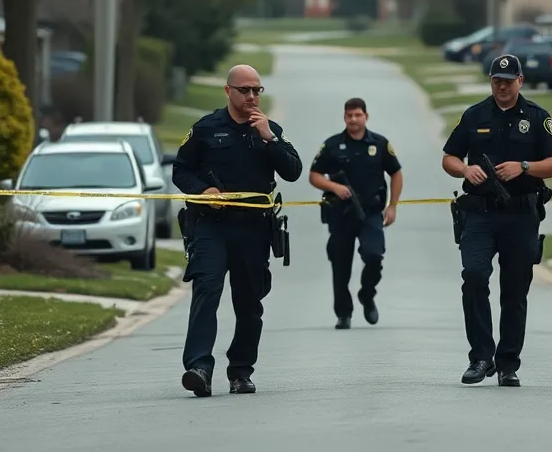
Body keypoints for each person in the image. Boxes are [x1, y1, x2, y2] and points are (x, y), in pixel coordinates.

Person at [170, 64, 303, 396]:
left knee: (249, 302)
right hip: (211, 227)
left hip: (253, 231)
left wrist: (270, 139)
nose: (251, 97)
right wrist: (204, 192)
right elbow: (180, 170)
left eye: (257, 90)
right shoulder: (205, 129)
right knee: (207, 290)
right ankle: (199, 367)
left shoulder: (270, 130)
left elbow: (293, 171)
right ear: (228, 91)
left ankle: (241, 371)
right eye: (245, 90)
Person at [441, 53, 552, 387]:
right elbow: (449, 157)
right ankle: (481, 357)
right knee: (475, 276)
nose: (502, 87)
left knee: (514, 290)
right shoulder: (474, 115)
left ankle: (508, 363)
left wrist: (523, 167)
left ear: (520, 82)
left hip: (520, 215)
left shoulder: (538, 118)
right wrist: (465, 169)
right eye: (497, 81)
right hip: (479, 213)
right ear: (491, 81)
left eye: (509, 82)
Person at [308, 97, 404, 329]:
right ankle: (344, 313)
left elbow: (396, 173)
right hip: (340, 214)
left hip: (370, 213)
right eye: (349, 115)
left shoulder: (379, 144)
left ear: (366, 117)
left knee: (374, 255)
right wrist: (334, 187)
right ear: (344, 117)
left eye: (357, 115)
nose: (353, 119)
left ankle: (367, 294)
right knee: (340, 265)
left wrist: (393, 205)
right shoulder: (332, 145)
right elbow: (314, 175)